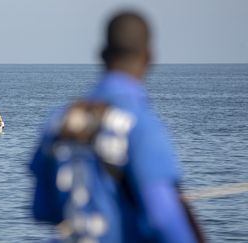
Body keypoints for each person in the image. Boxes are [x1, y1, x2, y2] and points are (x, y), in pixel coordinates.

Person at [30, 12, 204, 243]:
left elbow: (42, 210)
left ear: (101, 55)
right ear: (149, 57)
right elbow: (163, 220)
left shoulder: (59, 121)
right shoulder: (140, 125)